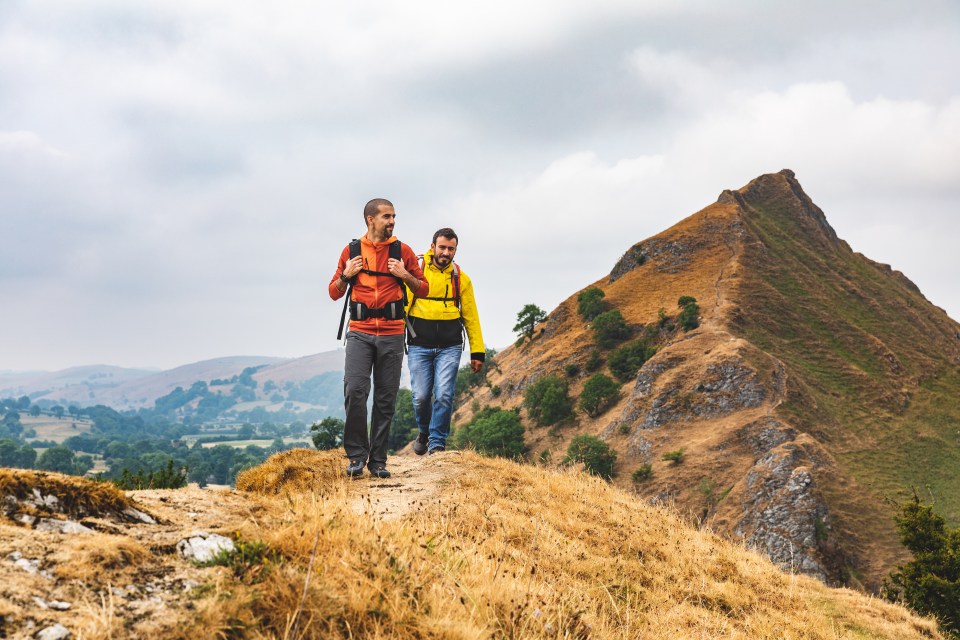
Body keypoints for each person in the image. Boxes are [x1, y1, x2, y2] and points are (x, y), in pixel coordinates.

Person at [329, 198, 428, 478]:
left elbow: (423, 289)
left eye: (394, 216)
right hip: (359, 333)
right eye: (387, 216)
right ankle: (356, 457)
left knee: (386, 399)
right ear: (370, 219)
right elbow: (333, 292)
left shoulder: (402, 251)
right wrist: (346, 275)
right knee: (355, 393)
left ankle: (379, 461)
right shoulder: (351, 251)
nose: (392, 221)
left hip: (393, 333)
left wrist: (405, 274)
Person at [405, 227, 484, 455]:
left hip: (450, 347)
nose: (446, 253)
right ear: (433, 247)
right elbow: (404, 307)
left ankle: (437, 443)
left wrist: (477, 352)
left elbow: (471, 316)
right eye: (442, 247)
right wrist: (394, 342)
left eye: (451, 249)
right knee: (420, 397)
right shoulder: (416, 271)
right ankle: (424, 431)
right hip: (419, 344)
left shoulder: (462, 279)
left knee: (444, 394)